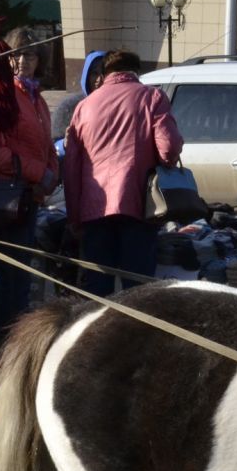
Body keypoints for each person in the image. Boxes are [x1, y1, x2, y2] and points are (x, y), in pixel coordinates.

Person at [64, 49, 182, 295]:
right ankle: (133, 333)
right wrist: (164, 162)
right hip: (137, 207)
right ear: (135, 72)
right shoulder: (152, 97)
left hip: (94, 211)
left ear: (106, 74)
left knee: (98, 289)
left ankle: (99, 333)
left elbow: (72, 169)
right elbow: (169, 148)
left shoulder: (84, 107)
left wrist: (75, 216)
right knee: (136, 289)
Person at [0, 28, 64, 329]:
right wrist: (41, 173)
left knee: (21, 279)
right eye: (16, 53)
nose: (23, 60)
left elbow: (46, 145)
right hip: (9, 200)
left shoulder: (36, 98)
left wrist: (53, 173)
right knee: (12, 279)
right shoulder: (0, 95)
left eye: (30, 54)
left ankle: (8, 345)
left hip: (31, 197)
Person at [49, 49, 107, 142]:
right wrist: (64, 145)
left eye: (104, 74)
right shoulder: (69, 106)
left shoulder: (118, 106)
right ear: (87, 75)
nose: (100, 79)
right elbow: (53, 145)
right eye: (94, 73)